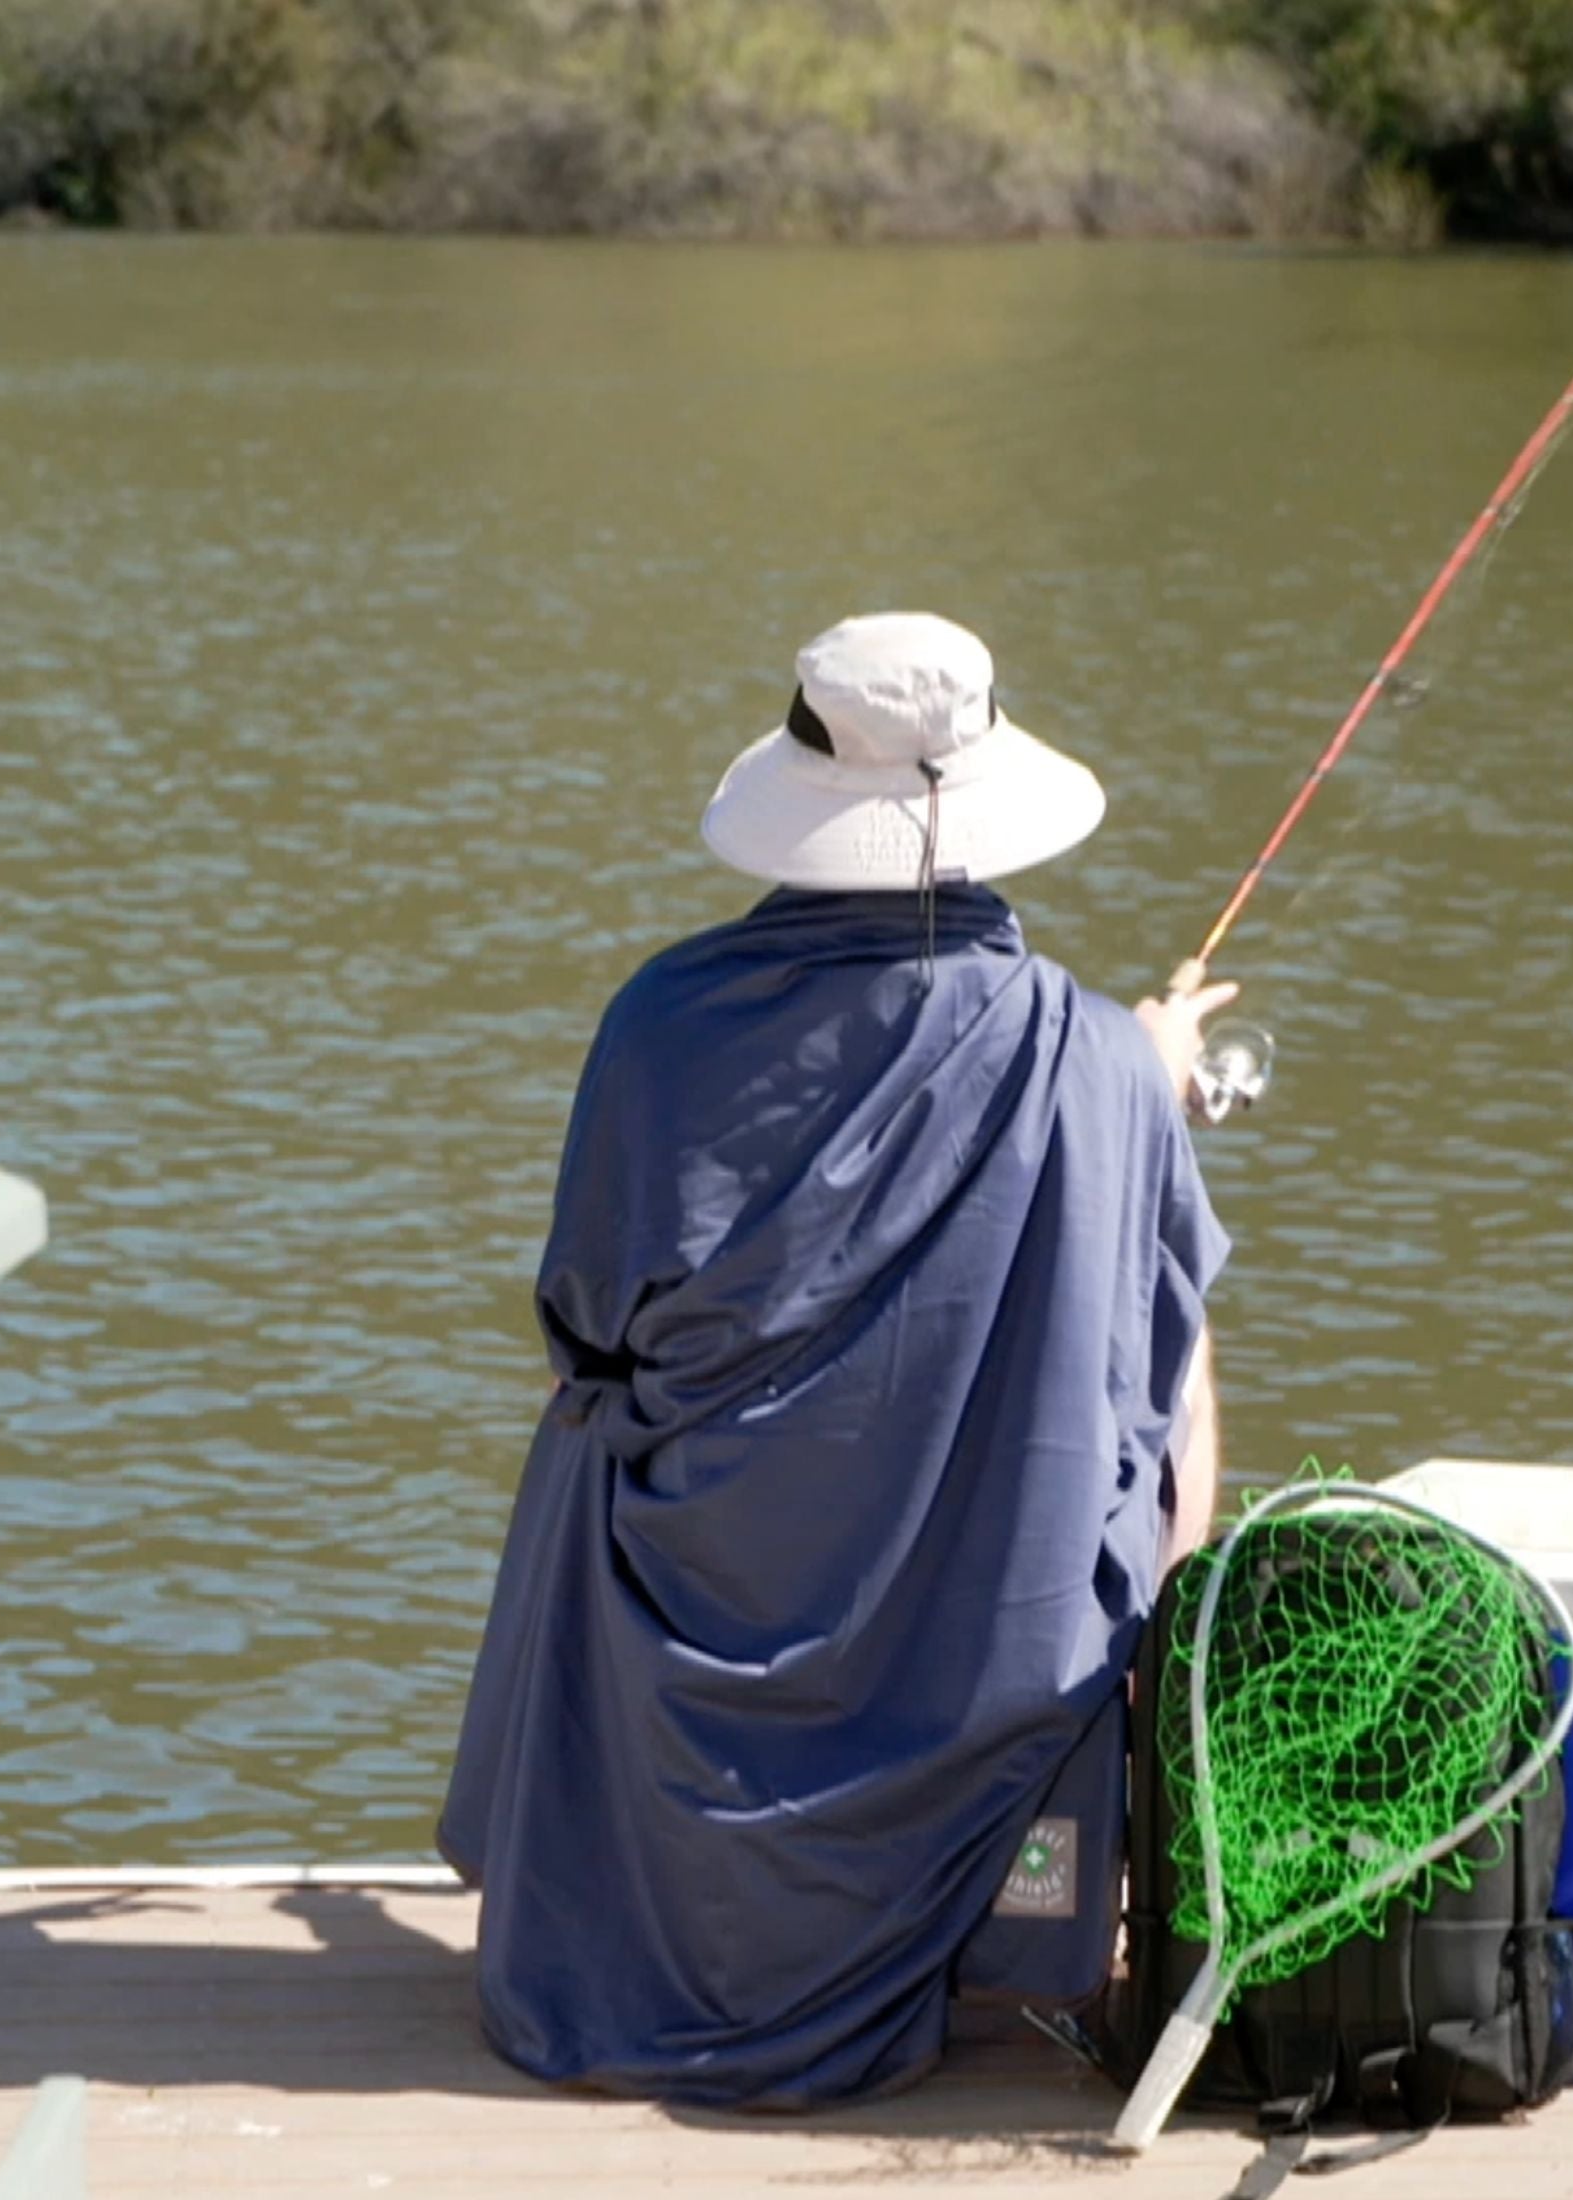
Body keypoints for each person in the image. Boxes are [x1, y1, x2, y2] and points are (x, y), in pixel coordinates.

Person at [437, 612, 1236, 2107]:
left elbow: (589, 1327)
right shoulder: (1098, 1064)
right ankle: (1111, 1814)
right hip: (989, 1653)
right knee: (1173, 1350)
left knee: (582, 1417)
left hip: (696, 1614)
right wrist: (1146, 1083)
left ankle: (586, 1858)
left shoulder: (661, 1020)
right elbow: (1133, 1329)